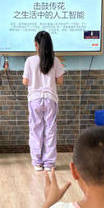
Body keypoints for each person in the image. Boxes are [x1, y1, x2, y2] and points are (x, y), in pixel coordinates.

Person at [22, 31, 64, 171]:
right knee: (50, 131)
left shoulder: (30, 61)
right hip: (50, 99)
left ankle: (37, 162)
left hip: (34, 99)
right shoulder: (55, 61)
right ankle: (49, 164)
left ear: (36, 45)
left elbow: (25, 81)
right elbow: (60, 81)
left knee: (35, 130)